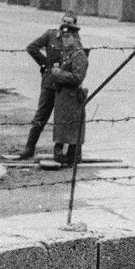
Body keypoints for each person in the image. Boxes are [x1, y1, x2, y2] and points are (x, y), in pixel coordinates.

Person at [13, 11, 83, 160]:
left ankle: (59, 151)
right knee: (41, 115)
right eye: (64, 21)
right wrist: (46, 64)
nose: (66, 25)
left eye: (69, 23)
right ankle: (29, 147)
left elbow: (79, 60)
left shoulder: (74, 39)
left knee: (62, 118)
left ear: (74, 25)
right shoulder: (50, 35)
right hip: (50, 83)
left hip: (65, 86)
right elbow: (32, 48)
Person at [48, 23, 88, 165]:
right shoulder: (68, 53)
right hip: (64, 98)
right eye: (63, 37)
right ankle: (61, 153)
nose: (65, 40)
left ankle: (73, 155)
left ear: (75, 37)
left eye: (68, 37)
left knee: (72, 128)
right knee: (63, 127)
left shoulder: (79, 55)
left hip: (72, 98)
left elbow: (78, 77)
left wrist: (59, 74)